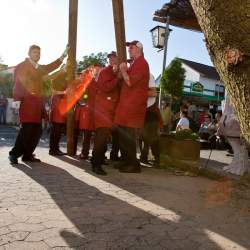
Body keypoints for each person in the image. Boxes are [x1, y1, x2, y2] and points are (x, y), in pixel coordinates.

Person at [9, 45, 65, 164]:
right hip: (26, 104)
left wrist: (62, 57)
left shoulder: (38, 68)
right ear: (29, 53)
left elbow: (50, 67)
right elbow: (18, 84)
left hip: (37, 105)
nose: (37, 55)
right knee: (26, 131)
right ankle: (14, 154)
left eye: (39, 53)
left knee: (37, 131)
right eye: (34, 53)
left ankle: (28, 155)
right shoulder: (22, 66)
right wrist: (16, 103)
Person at [114, 40, 149, 173]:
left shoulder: (142, 64)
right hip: (127, 107)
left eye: (132, 48)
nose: (129, 50)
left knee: (128, 137)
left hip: (133, 107)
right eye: (129, 48)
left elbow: (129, 82)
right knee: (123, 136)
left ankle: (134, 165)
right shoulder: (136, 63)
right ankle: (125, 161)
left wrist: (123, 70)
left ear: (139, 49)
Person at [91, 51, 120, 175]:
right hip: (103, 110)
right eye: (110, 58)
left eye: (114, 58)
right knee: (101, 138)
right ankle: (96, 165)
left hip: (109, 111)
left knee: (103, 139)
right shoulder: (105, 72)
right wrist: (118, 78)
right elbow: (105, 88)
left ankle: (97, 160)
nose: (112, 60)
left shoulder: (114, 73)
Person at [140, 73, 162, 166]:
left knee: (152, 139)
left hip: (151, 114)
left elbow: (153, 94)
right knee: (144, 138)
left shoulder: (149, 76)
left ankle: (156, 159)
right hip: (144, 113)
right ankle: (144, 157)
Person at [49, 71, 67, 156]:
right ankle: (53, 149)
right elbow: (53, 91)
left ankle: (55, 149)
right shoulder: (55, 80)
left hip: (59, 105)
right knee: (56, 131)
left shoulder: (64, 80)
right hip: (57, 104)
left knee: (57, 131)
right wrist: (64, 92)